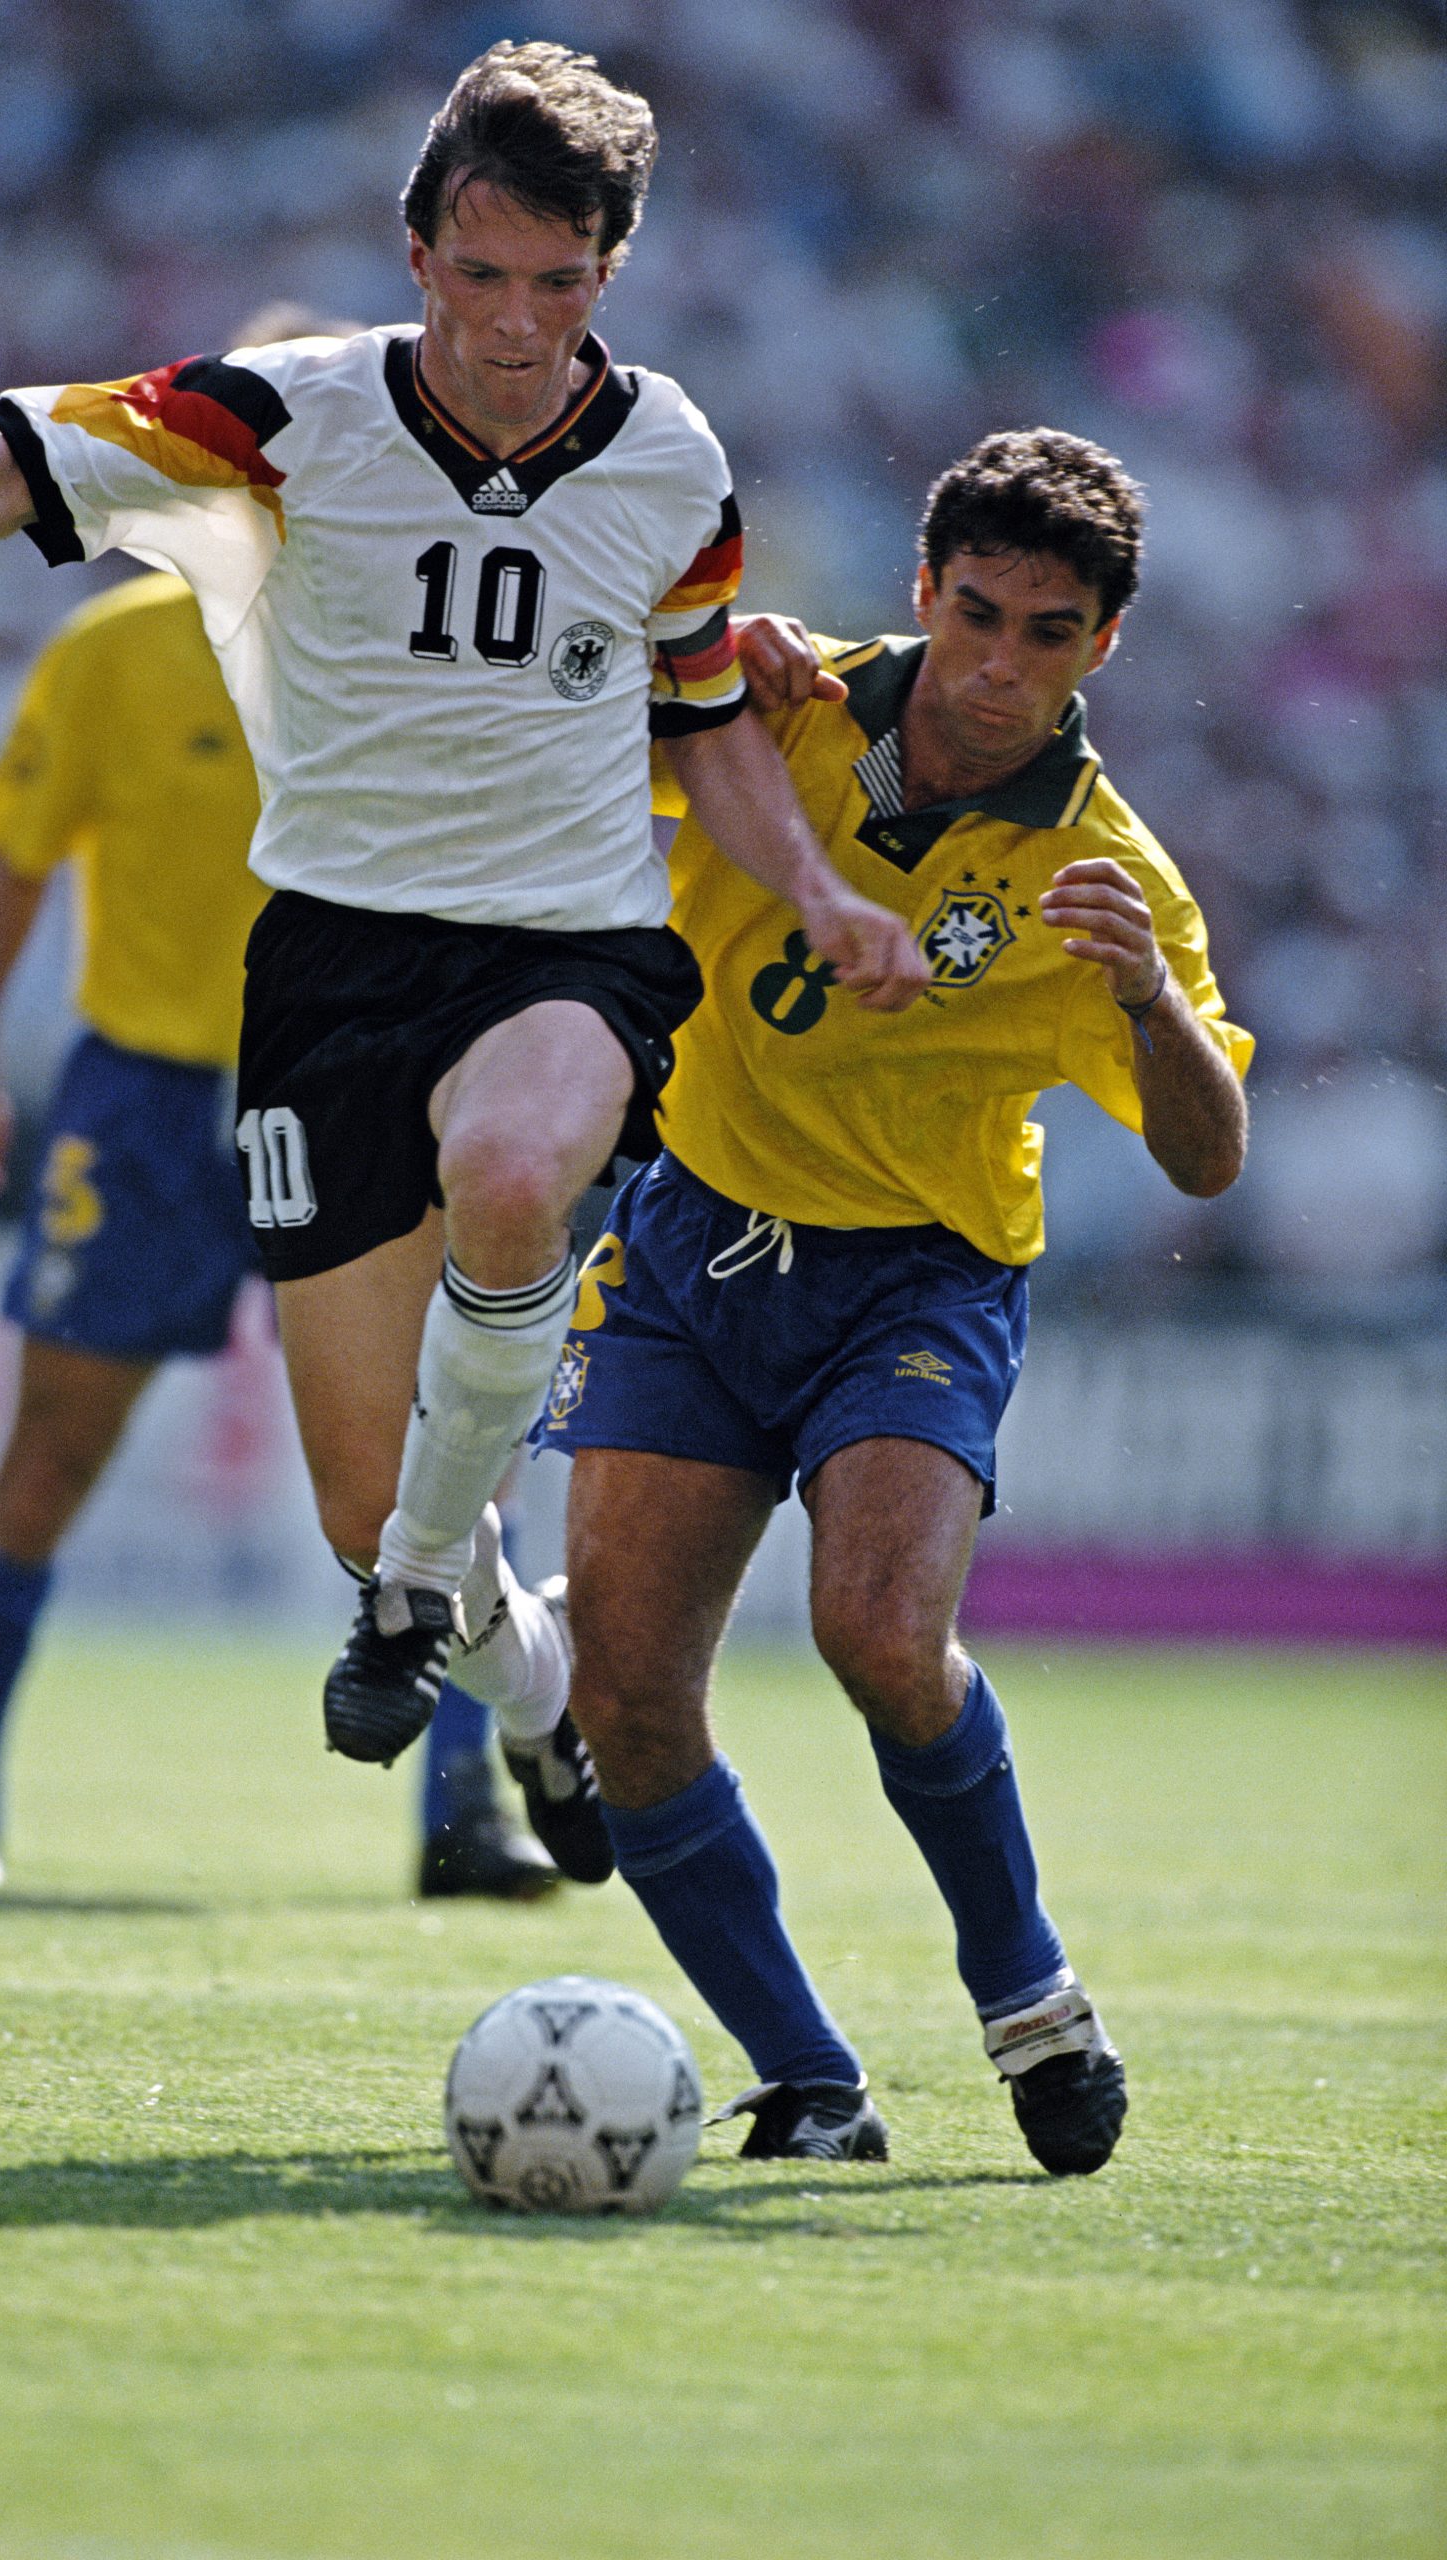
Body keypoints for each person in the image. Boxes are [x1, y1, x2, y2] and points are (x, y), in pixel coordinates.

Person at [0, 42, 925, 1885]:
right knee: (375, 1518)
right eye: (482, 275)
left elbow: (702, 721)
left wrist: (817, 895)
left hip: (569, 949)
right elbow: (28, 454)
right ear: (415, 251)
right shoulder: (288, 422)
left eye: (560, 281)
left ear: (611, 271)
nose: (516, 323)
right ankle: (519, 1700)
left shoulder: (674, 458)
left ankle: (404, 1625)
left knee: (521, 1172)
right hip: (329, 978)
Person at [540, 429, 1252, 2169]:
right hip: (693, 1233)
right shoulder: (775, 698)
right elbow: (556, 711)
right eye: (981, 615)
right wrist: (686, 641)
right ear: (923, 591)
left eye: (1051, 634)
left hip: (918, 1279)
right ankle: (811, 2080)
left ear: (1104, 649)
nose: (1002, 668)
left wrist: (1153, 1005)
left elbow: (1208, 1158)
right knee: (628, 1698)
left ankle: (1029, 1995)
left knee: (877, 1632)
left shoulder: (1110, 877)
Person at [0, 305, 556, 1902]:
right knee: (57, 1446)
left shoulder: (428, 642)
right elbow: (10, 861)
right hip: (150, 1097)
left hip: (361, 1082)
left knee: (439, 1457)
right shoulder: (116, 649)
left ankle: (464, 1819)